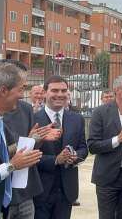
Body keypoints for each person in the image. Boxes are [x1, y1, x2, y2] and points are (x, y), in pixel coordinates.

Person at [0, 63, 43, 219]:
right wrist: (12, 166)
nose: (23, 96)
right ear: (3, 90)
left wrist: (32, 140)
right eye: (20, 89)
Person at [3, 60, 61, 219]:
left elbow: (29, 146)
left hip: (25, 192)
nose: (23, 92)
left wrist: (38, 139)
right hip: (1, 190)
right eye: (21, 85)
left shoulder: (26, 109)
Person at [33, 75, 88, 219]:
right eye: (55, 90)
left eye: (64, 91)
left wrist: (75, 156)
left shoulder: (77, 119)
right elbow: (27, 155)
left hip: (66, 191)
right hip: (40, 191)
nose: (60, 95)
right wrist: (56, 160)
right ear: (45, 93)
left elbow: (83, 147)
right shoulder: (33, 119)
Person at [87, 75, 122, 219]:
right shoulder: (100, 112)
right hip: (107, 176)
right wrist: (118, 139)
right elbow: (92, 146)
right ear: (117, 90)